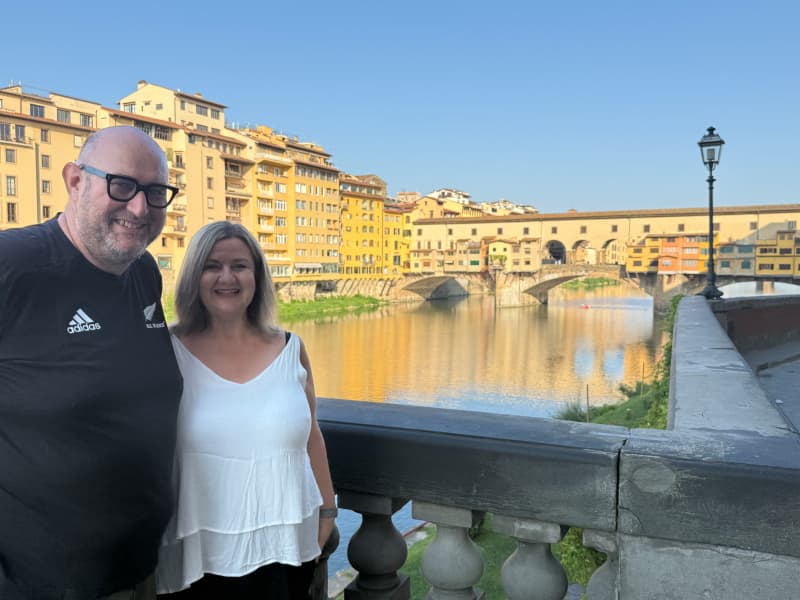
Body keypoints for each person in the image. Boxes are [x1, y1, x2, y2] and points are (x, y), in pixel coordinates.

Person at [0, 126, 184, 599]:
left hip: (138, 572)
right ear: (76, 180)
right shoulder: (13, 266)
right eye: (121, 185)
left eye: (155, 192)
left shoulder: (143, 271)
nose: (140, 208)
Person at [156, 221, 336, 599]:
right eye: (212, 266)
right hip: (199, 552)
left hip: (286, 546)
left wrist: (328, 511)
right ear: (194, 277)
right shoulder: (166, 352)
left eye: (239, 265)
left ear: (257, 276)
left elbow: (312, 435)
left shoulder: (290, 347)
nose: (227, 277)